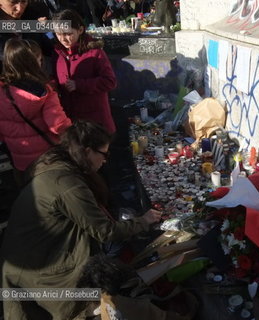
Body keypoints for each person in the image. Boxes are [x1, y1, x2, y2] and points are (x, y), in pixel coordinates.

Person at [1, 120, 163, 320]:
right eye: (104, 154)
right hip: (38, 272)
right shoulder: (68, 185)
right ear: (87, 151)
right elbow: (105, 231)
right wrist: (143, 221)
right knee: (84, 304)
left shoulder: (54, 163)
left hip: (25, 261)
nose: (106, 160)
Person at [0, 38, 71, 185]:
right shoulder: (44, 91)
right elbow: (58, 125)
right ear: (33, 62)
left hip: (19, 159)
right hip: (46, 159)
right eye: (39, 59)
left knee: (29, 198)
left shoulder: (2, 89)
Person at [52, 8, 117, 134]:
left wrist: (79, 84)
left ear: (80, 30)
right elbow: (56, 76)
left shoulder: (94, 52)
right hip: (70, 120)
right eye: (58, 34)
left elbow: (110, 81)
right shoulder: (57, 53)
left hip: (94, 121)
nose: (63, 39)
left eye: (68, 34)